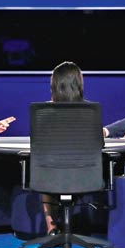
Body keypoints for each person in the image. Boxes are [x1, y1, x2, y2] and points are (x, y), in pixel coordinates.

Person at [41, 61, 102, 235]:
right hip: (86, 176)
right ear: (79, 84)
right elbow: (99, 145)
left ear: (54, 85)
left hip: (50, 177)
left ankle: (51, 228)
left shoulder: (44, 112)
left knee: (46, 172)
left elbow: (38, 148)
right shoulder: (90, 111)